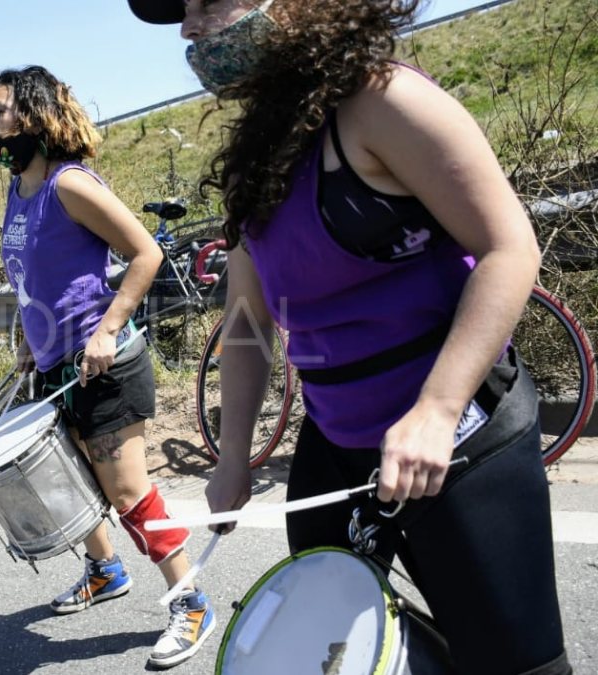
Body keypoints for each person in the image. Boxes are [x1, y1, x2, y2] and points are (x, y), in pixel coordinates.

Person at [128, 1, 572, 673]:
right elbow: (247, 324)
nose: (190, 28)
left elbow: (510, 247)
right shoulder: (256, 162)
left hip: (457, 437)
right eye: (182, 14)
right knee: (331, 648)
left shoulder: (383, 101)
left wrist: (438, 407)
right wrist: (232, 457)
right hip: (335, 449)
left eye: (207, 3)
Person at [0, 65, 213, 669]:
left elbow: (146, 252)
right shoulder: (18, 188)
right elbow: (32, 275)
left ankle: (190, 602)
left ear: (33, 115)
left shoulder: (69, 185)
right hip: (54, 364)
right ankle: (105, 571)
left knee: (128, 491)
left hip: (106, 363)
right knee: (69, 483)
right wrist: (27, 341)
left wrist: (107, 330)